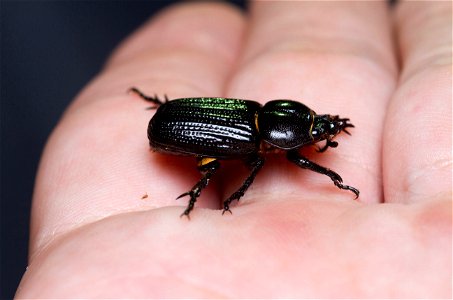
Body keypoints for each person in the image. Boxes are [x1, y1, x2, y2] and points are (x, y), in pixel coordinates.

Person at [15, 1, 451, 298]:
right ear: (286, 138)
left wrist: (323, 130)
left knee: (226, 164)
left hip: (179, 117)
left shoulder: (257, 117)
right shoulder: (256, 148)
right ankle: (200, 183)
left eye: (314, 131)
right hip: (174, 132)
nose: (316, 139)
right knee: (217, 169)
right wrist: (334, 177)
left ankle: (196, 167)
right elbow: (284, 158)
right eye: (312, 133)